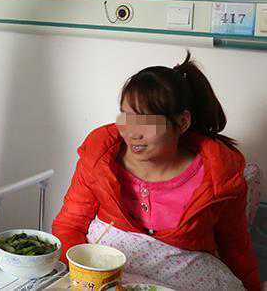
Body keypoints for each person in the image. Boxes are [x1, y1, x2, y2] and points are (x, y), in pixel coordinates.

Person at [52, 52, 260, 290]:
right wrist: (74, 277)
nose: (133, 133)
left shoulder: (219, 176)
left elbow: (235, 247)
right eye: (127, 116)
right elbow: (70, 224)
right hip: (104, 278)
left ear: (182, 122)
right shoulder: (100, 157)